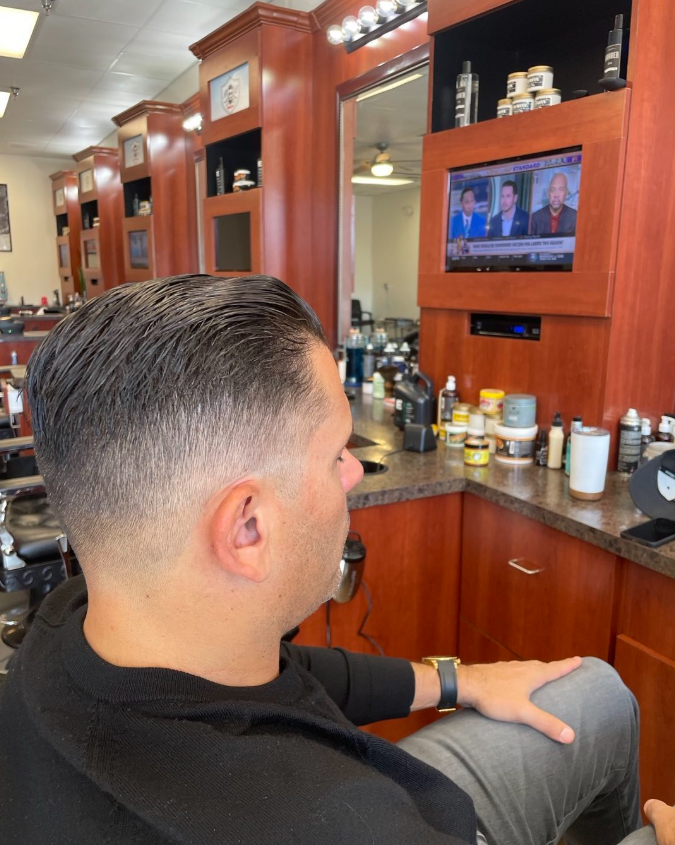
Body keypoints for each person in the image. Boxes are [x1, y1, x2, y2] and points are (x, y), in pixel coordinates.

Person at [0, 274, 657, 844]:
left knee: (595, 690)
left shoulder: (72, 622)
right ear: (247, 526)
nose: (350, 472)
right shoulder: (338, 822)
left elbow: (284, 672)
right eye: (335, 452)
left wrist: (457, 681)